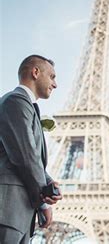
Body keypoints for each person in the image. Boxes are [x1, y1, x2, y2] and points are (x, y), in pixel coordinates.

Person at [0, 55, 62, 243]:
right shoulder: (15, 102)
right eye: (52, 76)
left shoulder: (24, 106)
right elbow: (25, 156)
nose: (55, 84)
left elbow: (29, 155)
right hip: (8, 209)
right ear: (35, 72)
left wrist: (49, 182)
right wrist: (42, 202)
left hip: (18, 213)